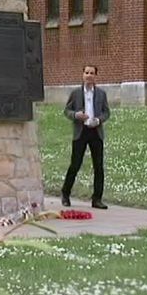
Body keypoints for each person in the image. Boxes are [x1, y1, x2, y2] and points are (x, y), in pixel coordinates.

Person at [61, 64, 110, 209]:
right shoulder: (76, 93)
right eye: (87, 73)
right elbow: (67, 110)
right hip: (80, 132)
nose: (89, 75)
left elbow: (107, 112)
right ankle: (65, 193)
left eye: (92, 73)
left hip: (96, 132)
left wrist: (99, 120)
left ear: (96, 76)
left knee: (98, 166)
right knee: (75, 164)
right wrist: (76, 115)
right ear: (83, 75)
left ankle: (97, 199)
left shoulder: (101, 94)